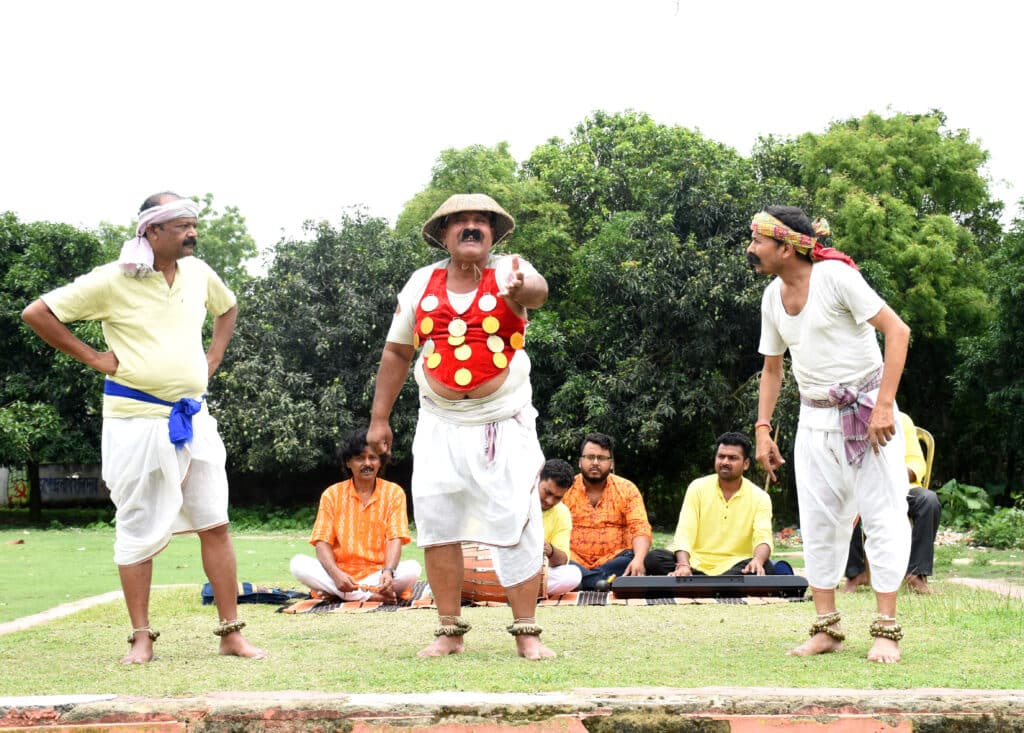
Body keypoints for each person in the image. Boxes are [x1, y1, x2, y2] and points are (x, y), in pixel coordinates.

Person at [21, 192, 264, 663]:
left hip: (194, 417)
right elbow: (38, 312)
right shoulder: (113, 279)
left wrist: (213, 357)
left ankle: (232, 633)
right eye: (180, 226)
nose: (192, 234)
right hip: (135, 421)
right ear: (151, 231)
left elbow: (227, 307)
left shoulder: (198, 273)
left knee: (215, 522)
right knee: (136, 524)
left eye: (194, 225)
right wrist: (94, 358)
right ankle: (141, 637)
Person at [367, 193, 554, 659]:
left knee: (519, 522)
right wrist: (379, 418)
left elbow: (539, 291)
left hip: (502, 423)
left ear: (493, 232)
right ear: (444, 234)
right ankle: (450, 631)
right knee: (438, 524)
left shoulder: (512, 266)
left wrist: (521, 290)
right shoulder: (419, 282)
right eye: (461, 222)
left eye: (480, 222)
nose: (471, 228)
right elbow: (396, 352)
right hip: (439, 424)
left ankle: (526, 632)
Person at [747, 205, 911, 663]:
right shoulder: (771, 297)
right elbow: (772, 368)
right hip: (815, 418)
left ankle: (886, 630)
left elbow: (897, 332)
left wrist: (883, 406)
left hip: (866, 412)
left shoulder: (836, 277)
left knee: (882, 517)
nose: (751, 248)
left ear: (786, 246)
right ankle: (826, 628)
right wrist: (763, 429)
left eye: (759, 240)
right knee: (819, 523)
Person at [290, 428, 421, 603]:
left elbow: (395, 538)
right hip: (340, 573)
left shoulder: (394, 493)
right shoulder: (332, 494)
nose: (367, 463)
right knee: (298, 564)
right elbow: (321, 543)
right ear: (348, 463)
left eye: (373, 457)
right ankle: (368, 596)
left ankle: (341, 594)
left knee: (413, 569)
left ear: (380, 462)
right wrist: (337, 575)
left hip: (378, 574)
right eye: (360, 458)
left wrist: (388, 572)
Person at [645, 432, 777, 577]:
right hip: (695, 562)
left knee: (765, 565)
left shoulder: (760, 497)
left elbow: (763, 536)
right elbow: (685, 532)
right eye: (721, 456)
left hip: (735, 564)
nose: (725, 462)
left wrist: (757, 561)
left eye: (732, 458)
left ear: (745, 464)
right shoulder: (698, 487)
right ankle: (717, 584)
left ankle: (698, 583)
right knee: (653, 559)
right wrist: (683, 565)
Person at [843, 412, 940, 595]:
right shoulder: (851, 420)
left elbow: (917, 463)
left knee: (929, 500)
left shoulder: (901, 420)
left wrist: (892, 475)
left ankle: (916, 574)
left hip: (902, 487)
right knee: (844, 504)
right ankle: (855, 574)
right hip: (864, 489)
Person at [562, 432, 652, 590]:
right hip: (573, 559)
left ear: (611, 464)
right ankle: (600, 582)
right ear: (580, 461)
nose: (595, 462)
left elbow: (640, 528)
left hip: (615, 560)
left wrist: (638, 559)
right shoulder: (565, 489)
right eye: (590, 457)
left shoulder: (627, 489)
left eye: (602, 458)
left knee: (637, 558)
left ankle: (581, 581)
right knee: (557, 560)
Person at [538, 458, 584, 595]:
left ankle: (515, 591)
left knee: (573, 574)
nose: (549, 501)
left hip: (534, 571)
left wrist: (549, 549)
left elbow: (562, 560)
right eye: (548, 492)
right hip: (498, 564)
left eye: (558, 497)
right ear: (538, 479)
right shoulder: (515, 497)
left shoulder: (562, 513)